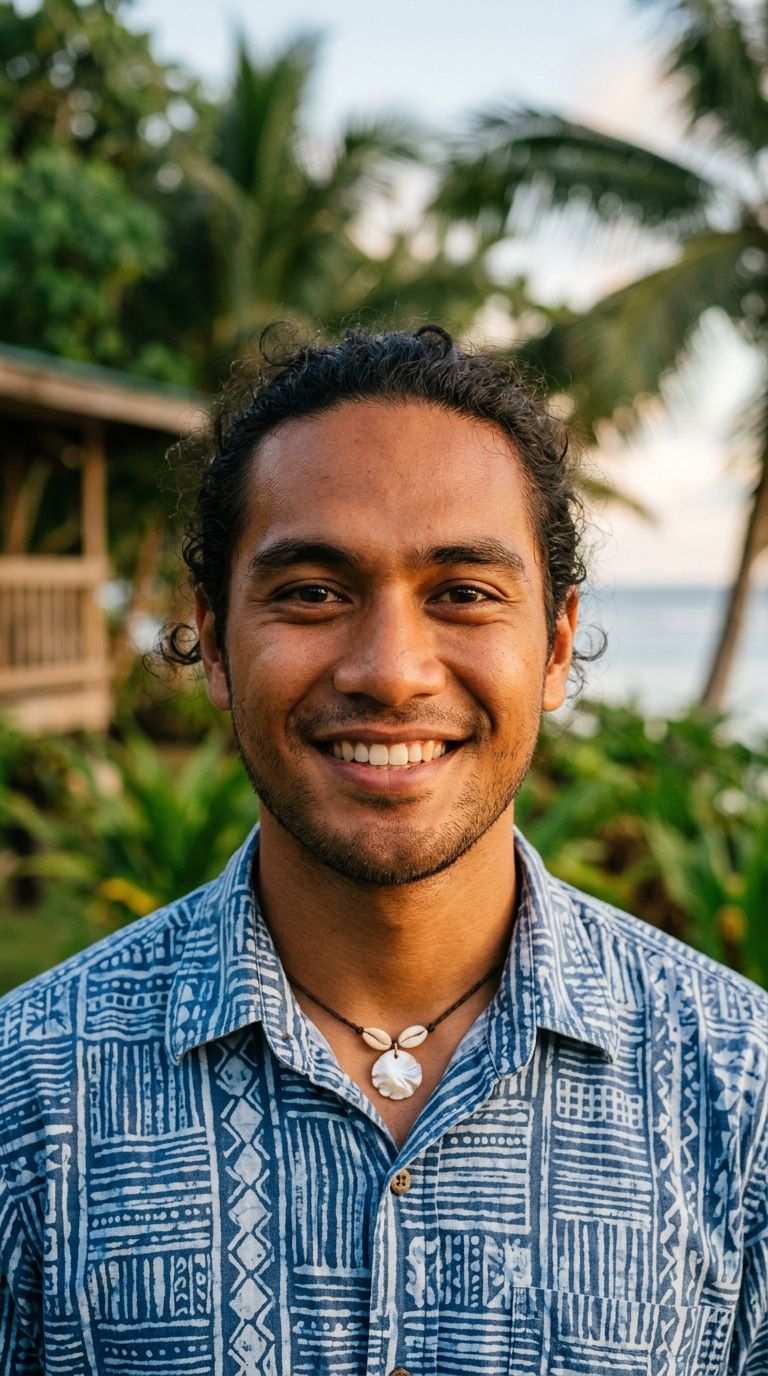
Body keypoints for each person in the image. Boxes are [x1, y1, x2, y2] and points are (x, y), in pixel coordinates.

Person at [0, 326, 766, 1376]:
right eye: (314, 590)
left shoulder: (738, 1088)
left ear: (553, 644)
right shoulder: (31, 1091)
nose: (391, 670)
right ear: (215, 642)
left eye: (462, 591)